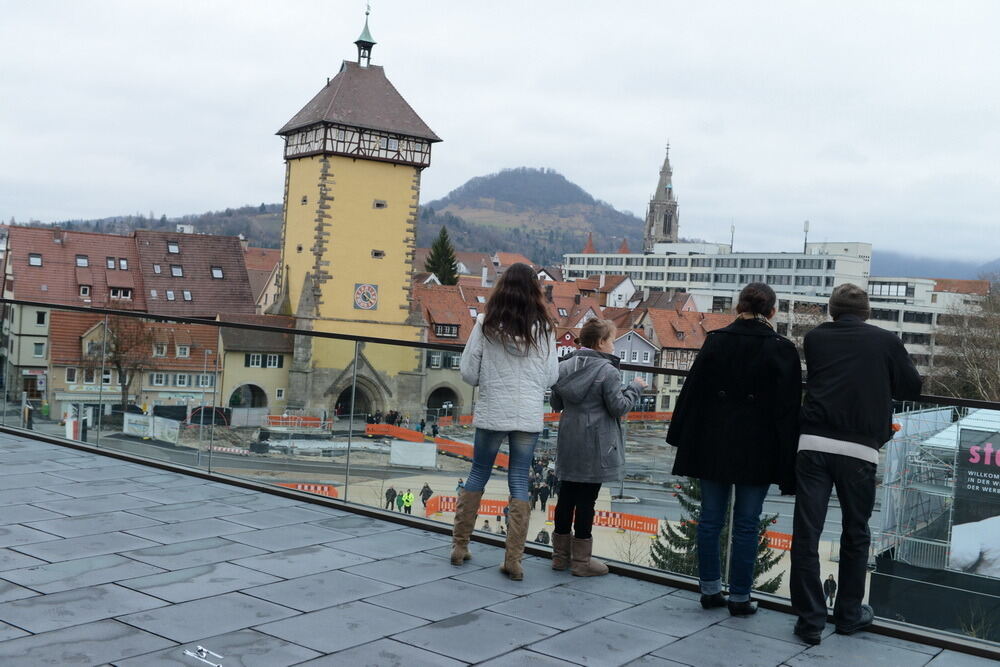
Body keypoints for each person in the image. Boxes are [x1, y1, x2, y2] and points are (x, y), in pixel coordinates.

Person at [790, 283, 922, 645]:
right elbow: (912, 387)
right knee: (856, 531)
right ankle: (848, 614)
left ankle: (809, 621)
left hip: (813, 443)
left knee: (807, 533)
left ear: (832, 310)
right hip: (860, 449)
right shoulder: (886, 342)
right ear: (867, 312)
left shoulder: (815, 339)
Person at [667, 283, 802, 615]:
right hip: (757, 448)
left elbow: (692, 393)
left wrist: (680, 436)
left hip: (714, 442)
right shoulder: (782, 349)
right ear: (772, 311)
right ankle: (741, 597)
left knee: (710, 519)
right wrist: (789, 458)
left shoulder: (716, 340)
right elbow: (788, 411)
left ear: (738, 307)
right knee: (746, 523)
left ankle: (711, 590)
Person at [450, 262, 560, 580]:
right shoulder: (545, 328)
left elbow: (469, 373)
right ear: (535, 293)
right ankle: (514, 559)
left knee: (478, 474)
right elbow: (551, 376)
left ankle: (459, 547)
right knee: (520, 481)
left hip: (493, 411)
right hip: (526, 415)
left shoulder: (486, 324)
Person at [550, 318, 646, 577]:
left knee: (566, 497)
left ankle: (559, 557)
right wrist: (635, 388)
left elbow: (556, 402)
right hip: (596, 444)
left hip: (569, 439)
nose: (614, 346)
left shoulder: (564, 366)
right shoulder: (608, 371)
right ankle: (581, 562)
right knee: (586, 502)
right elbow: (619, 407)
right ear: (601, 342)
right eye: (612, 340)